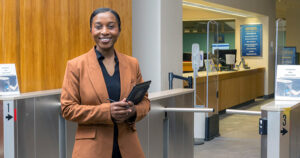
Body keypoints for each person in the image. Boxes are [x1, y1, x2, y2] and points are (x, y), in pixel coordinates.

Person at [60, 8, 150, 158]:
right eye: (98, 26)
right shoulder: (76, 66)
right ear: (91, 30)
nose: (105, 31)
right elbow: (68, 109)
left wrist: (132, 111)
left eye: (110, 26)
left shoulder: (132, 63)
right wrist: (107, 112)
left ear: (119, 30)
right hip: (92, 150)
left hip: (128, 147)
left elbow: (145, 103)